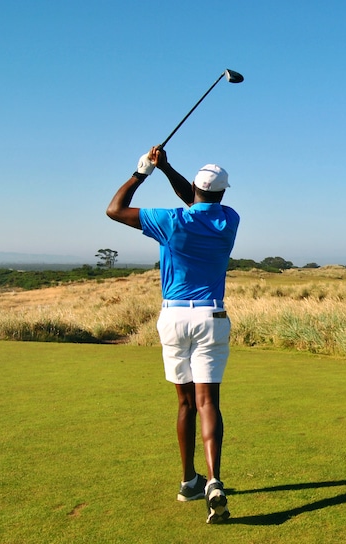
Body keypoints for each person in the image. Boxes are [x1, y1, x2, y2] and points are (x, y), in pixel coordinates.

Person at [106, 146, 239, 524]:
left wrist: (143, 172)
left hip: (173, 317)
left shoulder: (171, 220)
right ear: (223, 195)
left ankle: (188, 482)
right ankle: (213, 479)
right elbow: (198, 200)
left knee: (184, 404)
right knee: (207, 403)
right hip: (212, 316)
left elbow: (114, 209)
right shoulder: (229, 219)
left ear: (196, 190)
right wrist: (166, 168)